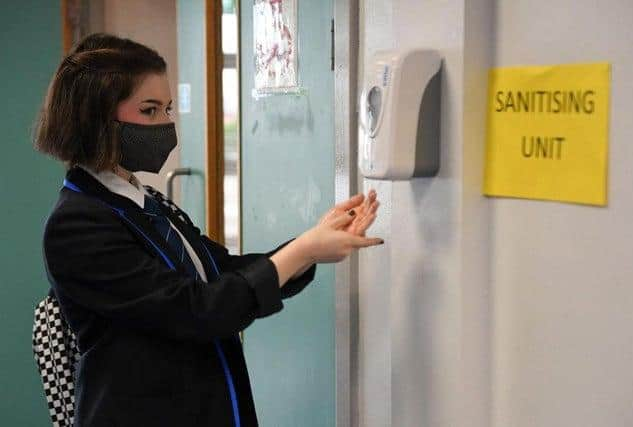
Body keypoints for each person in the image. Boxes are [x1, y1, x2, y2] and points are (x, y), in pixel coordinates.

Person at [34, 33, 382, 427]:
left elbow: (222, 273)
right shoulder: (76, 225)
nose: (165, 124)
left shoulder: (146, 201)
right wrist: (304, 250)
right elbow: (195, 309)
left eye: (167, 109)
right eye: (149, 111)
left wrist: (312, 243)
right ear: (95, 118)